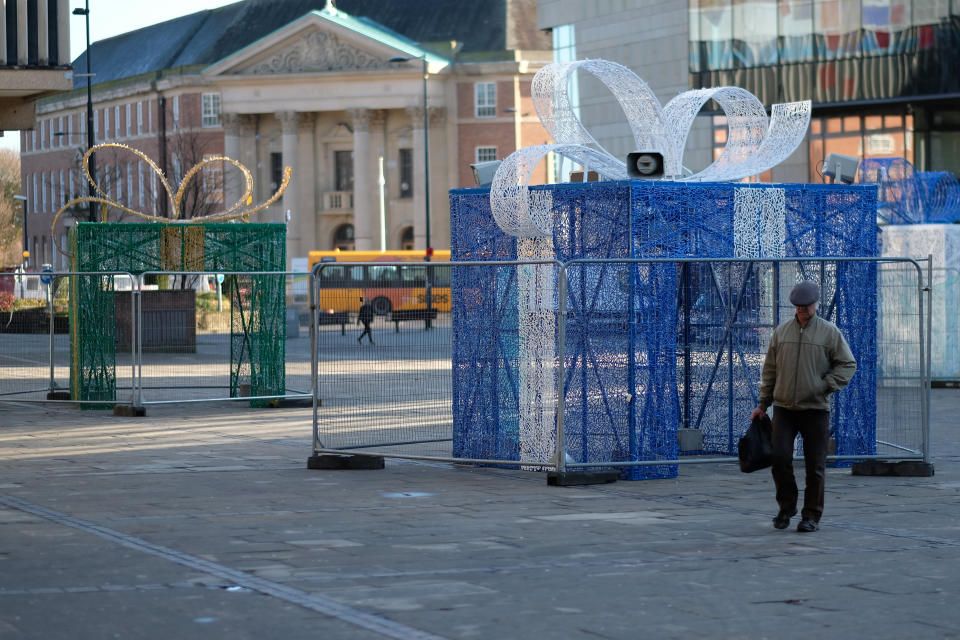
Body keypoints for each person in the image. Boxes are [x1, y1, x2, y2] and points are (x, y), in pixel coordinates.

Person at [750, 281, 857, 533]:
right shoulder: (781, 333)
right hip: (784, 408)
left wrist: (824, 385)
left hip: (815, 409)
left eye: (806, 307)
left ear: (816, 305)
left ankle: (811, 516)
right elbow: (770, 371)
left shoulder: (830, 333)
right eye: (798, 307)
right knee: (780, 459)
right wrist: (763, 404)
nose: (802, 311)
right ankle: (786, 507)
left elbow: (847, 364)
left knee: (815, 466)